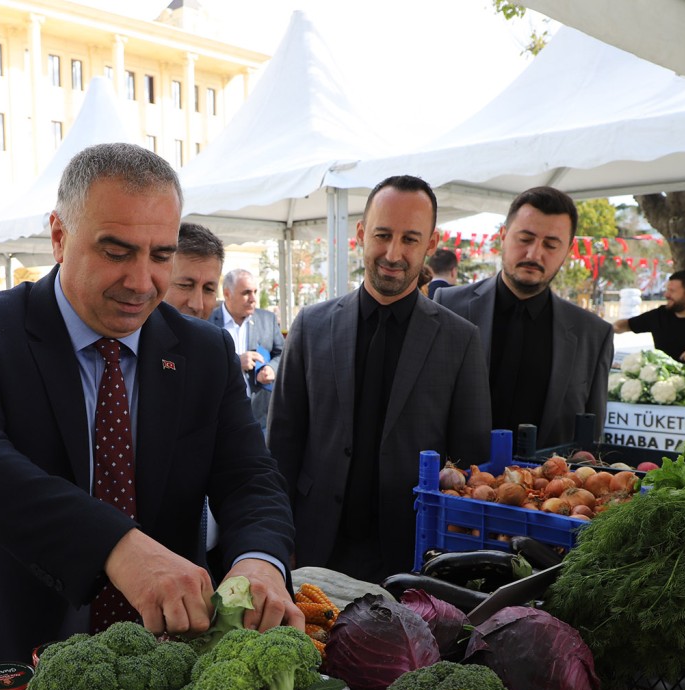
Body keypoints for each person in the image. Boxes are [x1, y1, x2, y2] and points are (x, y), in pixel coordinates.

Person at [0, 142, 298, 690]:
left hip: (156, 667)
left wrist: (258, 561)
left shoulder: (202, 351)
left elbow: (250, 477)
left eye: (160, 255)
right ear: (59, 236)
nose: (141, 280)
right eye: (116, 251)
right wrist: (117, 547)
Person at [267, 175, 491, 581]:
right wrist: (277, 543)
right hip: (314, 547)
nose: (393, 253)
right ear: (360, 234)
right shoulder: (311, 326)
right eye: (383, 235)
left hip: (415, 556)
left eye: (409, 239)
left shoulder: (460, 339)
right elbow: (282, 446)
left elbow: (471, 463)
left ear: (431, 244)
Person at [437, 187, 613, 446]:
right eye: (525, 239)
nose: (534, 254)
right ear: (503, 236)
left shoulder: (593, 335)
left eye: (551, 245)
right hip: (451, 483)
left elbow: (589, 442)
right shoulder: (448, 306)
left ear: (568, 250)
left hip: (548, 484)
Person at [210, 269, 285, 431]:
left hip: (260, 417)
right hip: (220, 417)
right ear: (227, 294)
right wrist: (236, 362)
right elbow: (202, 364)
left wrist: (271, 368)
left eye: (255, 292)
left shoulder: (268, 319)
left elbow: (284, 353)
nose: (253, 299)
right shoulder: (208, 321)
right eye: (246, 293)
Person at [613, 269, 685, 362]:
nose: (666, 294)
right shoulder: (660, 314)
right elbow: (625, 325)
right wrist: (606, 328)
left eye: (672, 291)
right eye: (667, 289)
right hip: (660, 375)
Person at [164, 222, 224, 322]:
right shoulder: (131, 336)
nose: (197, 306)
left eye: (208, 289)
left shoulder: (218, 337)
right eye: (185, 285)